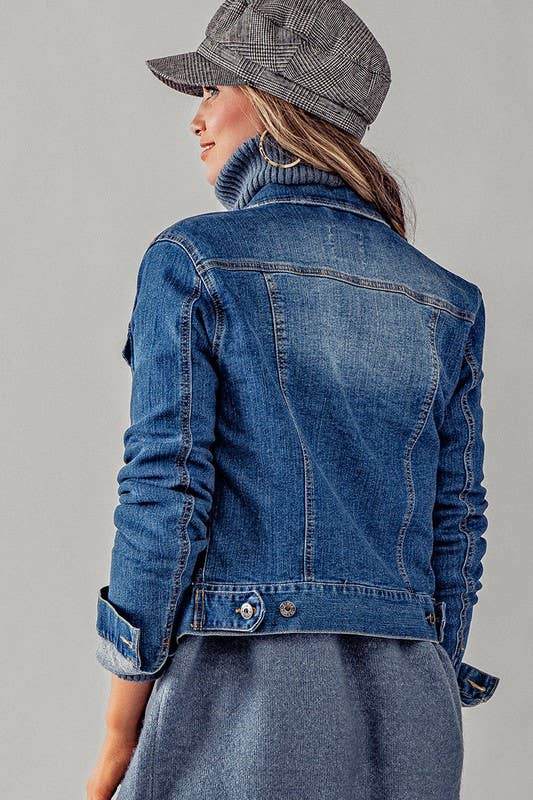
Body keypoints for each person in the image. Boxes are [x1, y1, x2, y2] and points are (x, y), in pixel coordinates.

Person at [87, 2, 500, 799]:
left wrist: (117, 731)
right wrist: (428, 667)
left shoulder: (194, 261)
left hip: (236, 705)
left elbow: (164, 494)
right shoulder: (446, 301)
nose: (197, 118)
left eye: (213, 89)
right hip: (411, 713)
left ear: (276, 100)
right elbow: (456, 524)